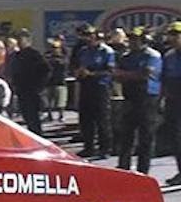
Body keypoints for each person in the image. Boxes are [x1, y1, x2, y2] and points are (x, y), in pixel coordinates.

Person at [113, 28, 163, 174]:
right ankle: (123, 167)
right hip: (130, 98)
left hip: (148, 98)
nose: (133, 42)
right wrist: (129, 75)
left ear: (144, 40)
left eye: (136, 39)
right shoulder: (126, 56)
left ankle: (143, 169)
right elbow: (116, 75)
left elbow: (145, 75)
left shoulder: (152, 55)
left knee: (145, 136)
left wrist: (126, 75)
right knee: (126, 134)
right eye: (132, 39)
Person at [74, 25, 116, 159]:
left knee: (102, 119)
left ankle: (105, 148)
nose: (89, 38)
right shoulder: (84, 51)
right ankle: (88, 146)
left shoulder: (106, 51)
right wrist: (79, 73)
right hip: (86, 86)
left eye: (91, 35)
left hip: (100, 86)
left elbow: (110, 71)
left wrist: (92, 73)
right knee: (86, 118)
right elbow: (78, 65)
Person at [9, 30, 51, 134]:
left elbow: (46, 70)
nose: (19, 42)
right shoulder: (17, 55)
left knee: (33, 117)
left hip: (32, 90)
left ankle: (38, 136)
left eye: (21, 39)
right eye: (17, 39)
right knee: (26, 115)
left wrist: (39, 86)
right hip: (21, 89)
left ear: (28, 41)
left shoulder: (33, 54)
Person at [162, 22, 181, 186]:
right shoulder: (169, 56)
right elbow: (165, 80)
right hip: (174, 100)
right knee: (176, 138)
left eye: (177, 35)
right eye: (171, 35)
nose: (173, 38)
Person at [44, 38, 68, 123]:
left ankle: (61, 115)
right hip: (50, 81)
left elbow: (64, 65)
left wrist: (56, 60)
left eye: (56, 48)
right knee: (49, 100)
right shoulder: (48, 57)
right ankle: (49, 114)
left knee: (61, 100)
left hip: (60, 81)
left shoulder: (63, 58)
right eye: (53, 47)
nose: (54, 49)